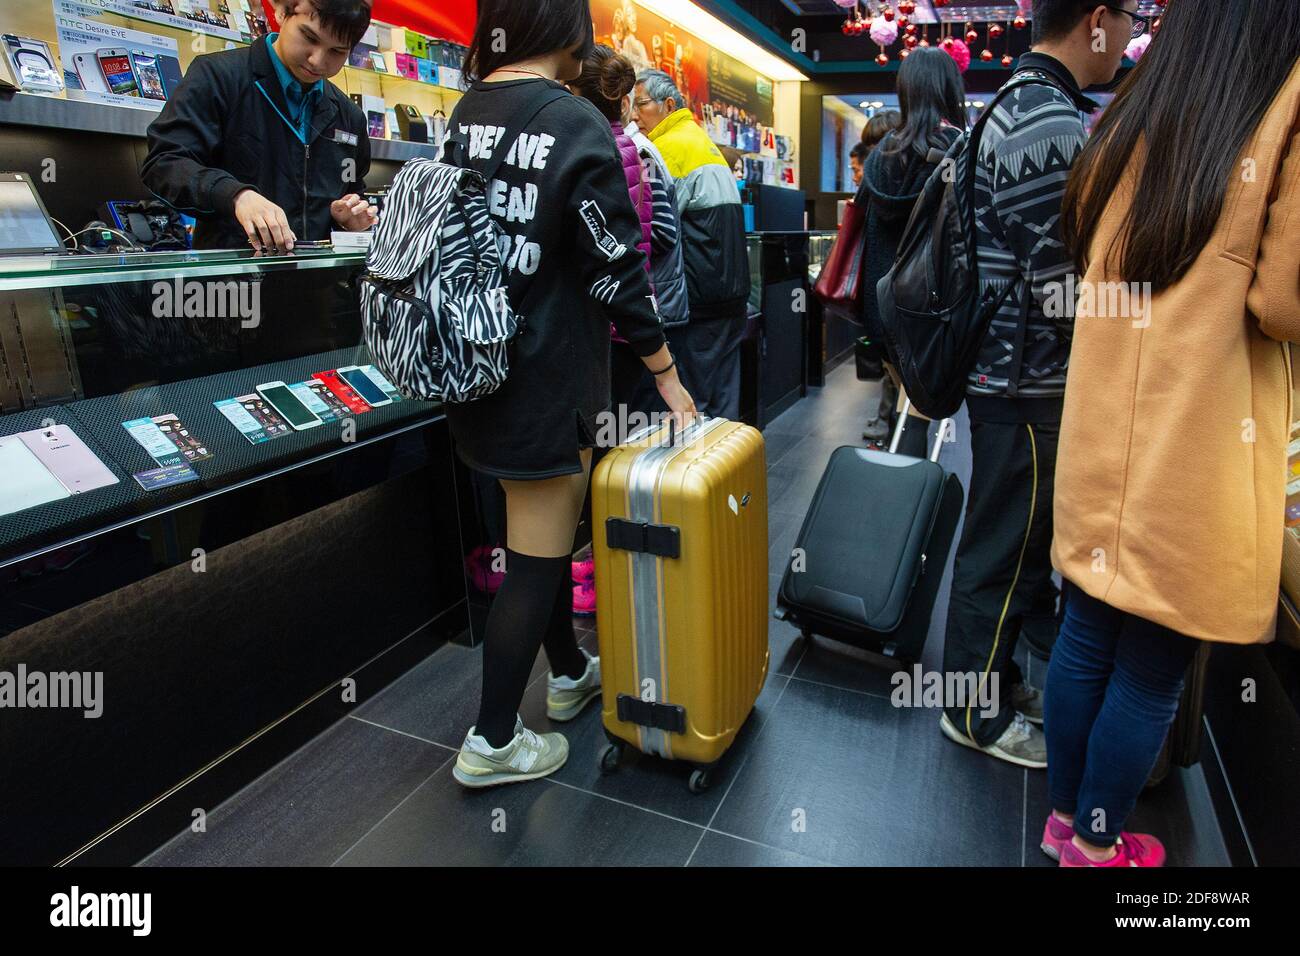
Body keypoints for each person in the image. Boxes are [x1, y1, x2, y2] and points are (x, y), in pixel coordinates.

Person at [1046, 0, 1300, 867]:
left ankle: (1061, 822)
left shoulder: (1139, 100)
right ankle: (1095, 843)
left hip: (1101, 433)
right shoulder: (1288, 100)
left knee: (1086, 635)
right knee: (1151, 669)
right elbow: (1283, 301)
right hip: (1195, 444)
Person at [444, 0, 695, 789]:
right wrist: (666, 375)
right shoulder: (574, 121)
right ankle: (491, 742)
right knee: (538, 556)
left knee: (533, 548)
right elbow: (618, 271)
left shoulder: (467, 111)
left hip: (475, 367)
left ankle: (567, 670)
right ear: (566, 30)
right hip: (547, 375)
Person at [939, 0, 1132, 768]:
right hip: (1025, 382)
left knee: (1010, 545)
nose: (1126, 37)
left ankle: (991, 684)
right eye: (1125, 19)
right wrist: (1138, 314)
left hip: (1010, 377)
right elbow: (1060, 291)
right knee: (1006, 552)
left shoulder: (1016, 104)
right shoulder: (1047, 121)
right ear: (1095, 20)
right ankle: (971, 712)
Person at [141, 0, 377, 251]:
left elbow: (352, 187)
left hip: (319, 283)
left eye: (337, 51)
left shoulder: (349, 116)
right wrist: (235, 196)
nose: (318, 61)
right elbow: (165, 163)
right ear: (282, 12)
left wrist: (351, 219)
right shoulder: (217, 77)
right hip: (233, 283)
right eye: (309, 37)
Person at [566, 43, 658, 618]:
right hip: (626, 329)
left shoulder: (599, 149)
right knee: (615, 455)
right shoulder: (628, 148)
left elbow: (614, 256)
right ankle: (608, 563)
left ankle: (606, 569)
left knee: (609, 458)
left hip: (612, 333)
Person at [634, 68, 750, 419]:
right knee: (723, 401)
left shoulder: (667, 147)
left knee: (691, 405)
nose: (635, 115)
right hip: (731, 293)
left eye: (641, 104)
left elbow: (656, 227)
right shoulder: (700, 139)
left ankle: (693, 472)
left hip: (699, 297)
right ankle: (725, 471)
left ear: (668, 104)